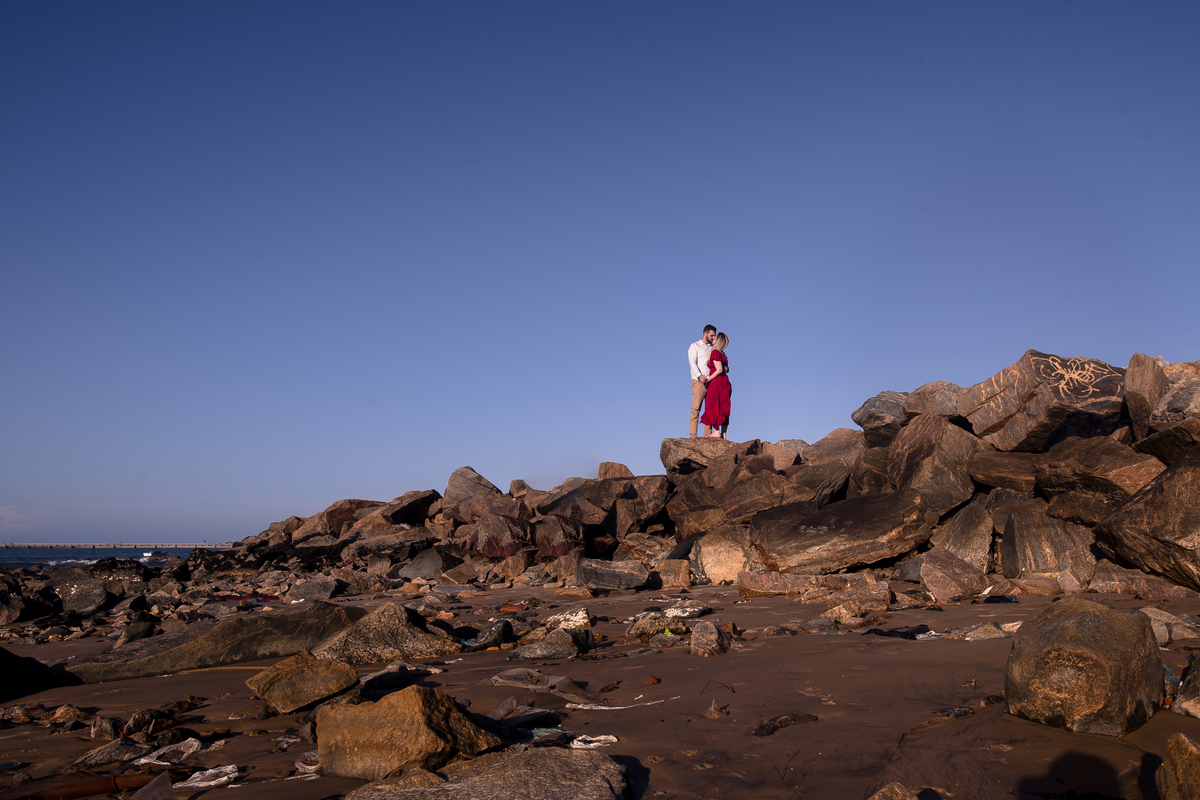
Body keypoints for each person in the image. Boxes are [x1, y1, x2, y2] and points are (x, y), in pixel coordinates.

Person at [700, 332, 731, 439]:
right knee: (724, 406)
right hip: (724, 382)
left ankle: (716, 431)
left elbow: (719, 369)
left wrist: (708, 379)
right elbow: (725, 369)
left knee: (713, 405)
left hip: (717, 382)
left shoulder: (715, 352)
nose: (714, 338)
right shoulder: (723, 353)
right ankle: (724, 434)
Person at [688, 325, 717, 438]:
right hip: (699, 381)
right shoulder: (694, 346)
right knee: (696, 407)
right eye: (711, 335)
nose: (713, 337)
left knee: (710, 407)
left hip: (711, 380)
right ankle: (693, 433)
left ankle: (707, 433)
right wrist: (699, 376)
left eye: (714, 335)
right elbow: (692, 363)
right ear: (705, 334)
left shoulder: (713, 348)